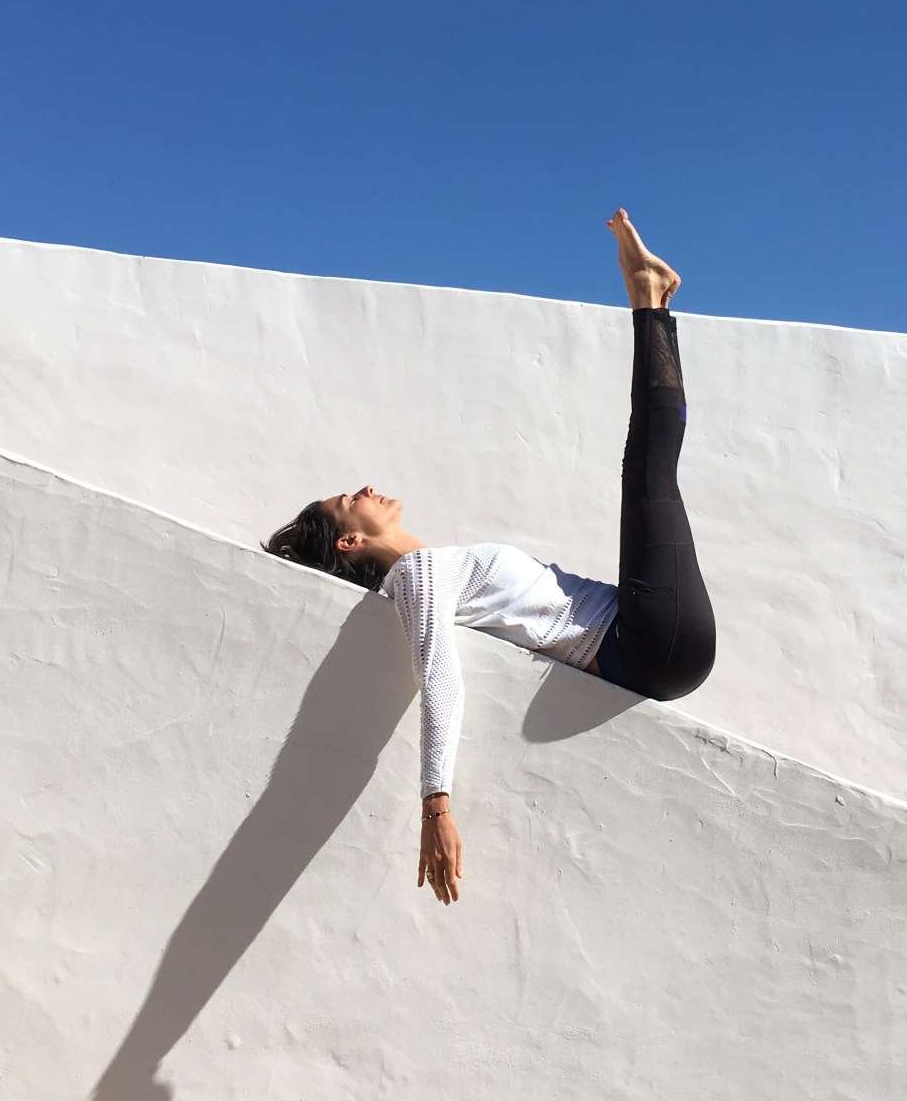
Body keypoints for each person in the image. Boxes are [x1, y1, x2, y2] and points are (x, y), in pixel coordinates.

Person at [263, 211, 716, 907]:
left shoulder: (438, 570)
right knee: (647, 473)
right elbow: (440, 678)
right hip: (648, 641)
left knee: (648, 473)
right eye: (346, 499)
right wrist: (436, 807)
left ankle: (651, 298)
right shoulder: (415, 578)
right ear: (349, 542)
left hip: (654, 639)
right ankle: (648, 299)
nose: (364, 489)